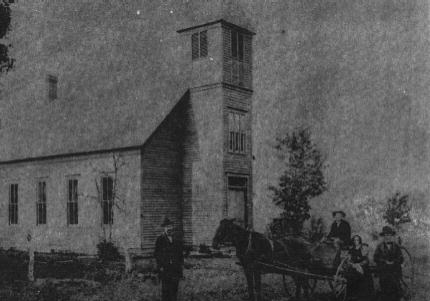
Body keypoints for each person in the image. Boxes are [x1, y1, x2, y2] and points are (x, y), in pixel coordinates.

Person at [154, 217, 184, 301]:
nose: (169, 228)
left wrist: (180, 267)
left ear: (172, 227)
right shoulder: (160, 239)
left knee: (174, 291)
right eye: (167, 227)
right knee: (166, 292)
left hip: (175, 269)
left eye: (170, 226)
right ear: (164, 228)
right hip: (165, 269)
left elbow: (180, 255)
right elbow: (157, 255)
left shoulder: (177, 240)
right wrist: (160, 267)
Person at [373, 226, 404, 301]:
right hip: (384, 270)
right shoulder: (380, 247)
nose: (388, 237)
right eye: (386, 235)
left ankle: (398, 297)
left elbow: (401, 258)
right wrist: (384, 261)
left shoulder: (396, 246)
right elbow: (375, 258)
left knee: (395, 285)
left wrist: (394, 262)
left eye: (389, 235)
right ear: (383, 236)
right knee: (385, 287)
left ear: (392, 236)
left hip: (394, 270)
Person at [345, 235, 373, 300]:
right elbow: (348, 260)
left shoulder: (363, 249)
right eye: (354, 240)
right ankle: (352, 296)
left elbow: (366, 260)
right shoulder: (351, 250)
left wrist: (359, 265)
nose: (356, 241)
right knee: (351, 276)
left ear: (359, 241)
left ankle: (363, 296)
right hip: (354, 267)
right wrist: (353, 265)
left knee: (364, 276)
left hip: (362, 266)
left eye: (357, 240)